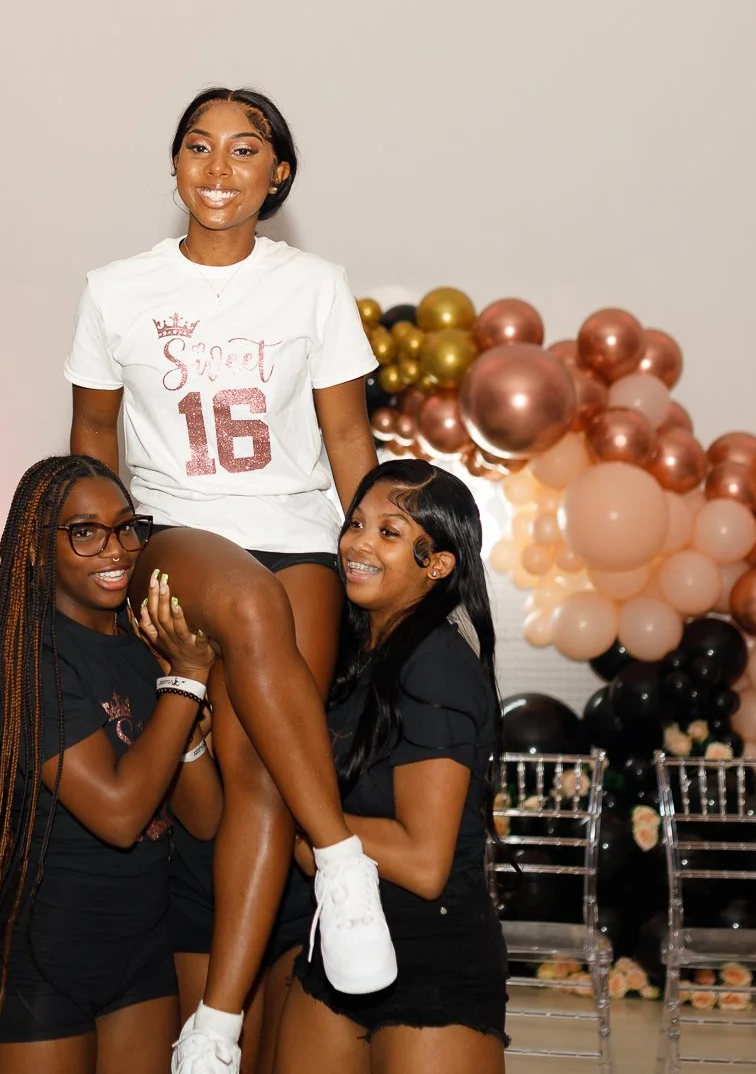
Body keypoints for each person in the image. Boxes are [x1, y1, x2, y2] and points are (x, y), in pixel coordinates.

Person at [67, 87, 391, 1072]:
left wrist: (369, 548)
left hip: (299, 535)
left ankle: (213, 1031)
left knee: (258, 776)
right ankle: (343, 861)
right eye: (198, 148)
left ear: (277, 174)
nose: (218, 167)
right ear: (174, 169)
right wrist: (97, 559)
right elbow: (90, 435)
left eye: (244, 149)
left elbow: (343, 433)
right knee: (247, 607)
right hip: (178, 533)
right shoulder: (117, 288)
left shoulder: (316, 284)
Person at [0, 454, 225, 1073]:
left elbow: (202, 820)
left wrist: (188, 721)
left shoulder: (146, 649)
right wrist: (188, 682)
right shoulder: (25, 659)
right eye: (85, 531)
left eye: (127, 527)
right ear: (39, 549)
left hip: (142, 955)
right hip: (40, 962)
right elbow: (121, 814)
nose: (116, 548)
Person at [277, 460, 505, 1073]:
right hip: (338, 943)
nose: (357, 543)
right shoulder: (357, 660)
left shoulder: (437, 664)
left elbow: (424, 863)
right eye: (356, 524)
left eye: (389, 532)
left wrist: (307, 825)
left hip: (432, 965)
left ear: (438, 564)